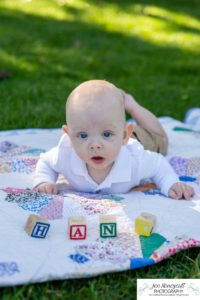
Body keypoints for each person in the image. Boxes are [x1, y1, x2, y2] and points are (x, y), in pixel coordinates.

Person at [33, 80, 194, 200]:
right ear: (68, 136)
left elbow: (158, 164)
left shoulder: (135, 161)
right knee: (104, 124)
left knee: (162, 142)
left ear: (124, 135)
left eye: (106, 134)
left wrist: (170, 183)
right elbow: (45, 162)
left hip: (139, 139)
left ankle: (131, 105)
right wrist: (44, 181)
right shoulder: (65, 154)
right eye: (83, 135)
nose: (95, 145)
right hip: (118, 135)